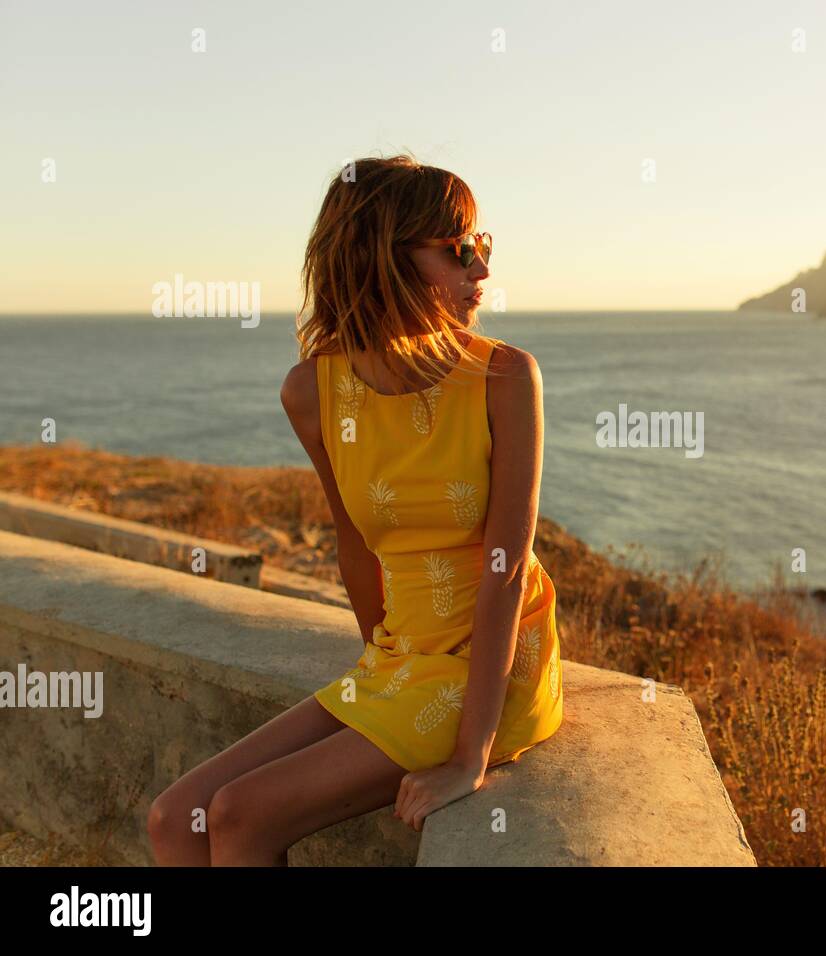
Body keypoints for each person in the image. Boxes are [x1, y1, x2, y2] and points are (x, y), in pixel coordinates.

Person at [147, 155, 563, 866]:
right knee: (175, 820)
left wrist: (471, 755)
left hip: (492, 664)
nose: (482, 270)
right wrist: (381, 669)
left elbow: (504, 569)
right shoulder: (313, 392)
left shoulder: (502, 377)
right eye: (459, 251)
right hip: (398, 656)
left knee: (240, 816)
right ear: (385, 261)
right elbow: (355, 548)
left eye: (482, 247)